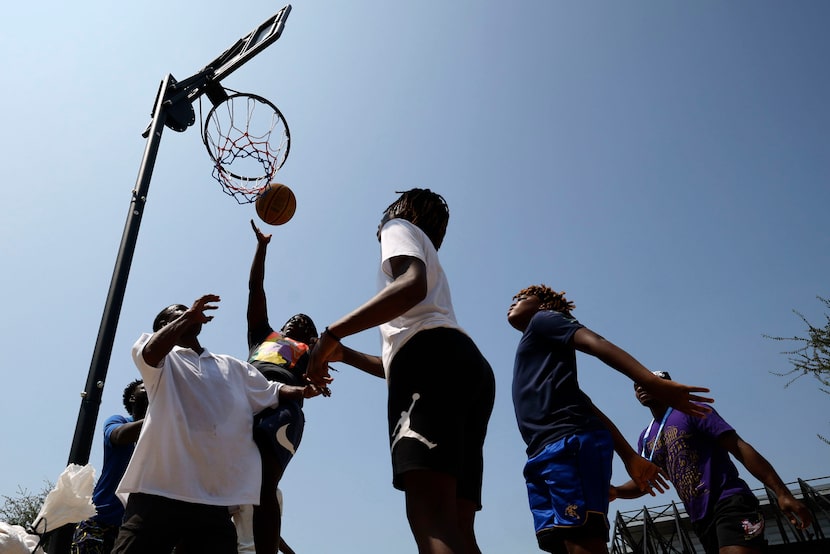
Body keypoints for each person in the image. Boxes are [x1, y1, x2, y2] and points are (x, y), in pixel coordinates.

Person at [306, 188, 496, 554]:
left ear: (400, 211)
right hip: (467, 368)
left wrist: (331, 334)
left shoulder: (397, 227)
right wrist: (343, 354)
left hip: (431, 360)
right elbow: (396, 362)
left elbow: (410, 286)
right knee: (457, 526)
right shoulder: (433, 264)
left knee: (430, 519)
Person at [506, 284, 715, 554]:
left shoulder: (545, 319)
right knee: (559, 543)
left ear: (544, 305)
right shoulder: (538, 351)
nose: (515, 302)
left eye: (524, 297)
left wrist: (650, 381)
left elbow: (597, 342)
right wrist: (629, 455)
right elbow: (586, 405)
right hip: (541, 451)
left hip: (566, 443)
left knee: (582, 539)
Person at [111, 295, 325, 554]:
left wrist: (304, 391)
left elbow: (272, 390)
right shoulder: (161, 359)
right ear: (164, 326)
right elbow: (151, 353)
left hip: (212, 504)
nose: (186, 313)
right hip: (158, 493)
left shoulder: (232, 366)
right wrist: (189, 315)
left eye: (186, 311)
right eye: (177, 314)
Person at [610, 370, 813, 554]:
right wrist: (616, 491)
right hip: (700, 518)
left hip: (730, 502)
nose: (639, 387)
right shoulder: (646, 437)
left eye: (647, 382)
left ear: (667, 385)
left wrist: (782, 492)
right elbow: (646, 481)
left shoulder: (692, 410)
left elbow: (739, 448)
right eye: (636, 386)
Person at [243, 220, 343, 554]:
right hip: (243, 401)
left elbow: (333, 350)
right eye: (293, 319)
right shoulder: (263, 336)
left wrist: (320, 352)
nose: (298, 320)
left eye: (306, 323)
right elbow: (256, 290)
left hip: (283, 408)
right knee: (220, 480)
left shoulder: (312, 353)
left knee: (264, 487)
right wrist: (262, 248)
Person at [71, 380, 148, 554]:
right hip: (97, 521)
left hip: (129, 528)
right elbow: (118, 436)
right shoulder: (117, 421)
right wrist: (159, 416)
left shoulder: (162, 433)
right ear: (132, 398)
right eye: (145, 387)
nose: (151, 388)